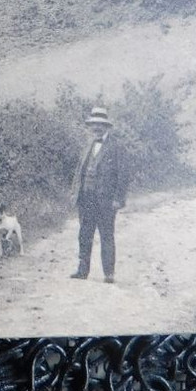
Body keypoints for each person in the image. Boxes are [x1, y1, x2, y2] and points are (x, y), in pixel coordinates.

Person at [70, 105, 130, 284]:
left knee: (106, 235)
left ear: (106, 127)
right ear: (91, 126)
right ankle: (82, 270)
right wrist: (75, 193)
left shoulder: (117, 147)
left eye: (100, 125)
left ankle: (109, 273)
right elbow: (79, 171)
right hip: (86, 199)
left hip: (106, 201)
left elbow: (123, 175)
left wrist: (119, 199)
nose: (96, 128)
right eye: (94, 124)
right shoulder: (88, 145)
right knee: (84, 234)